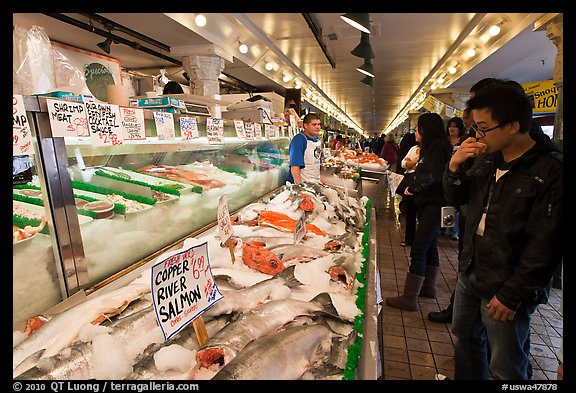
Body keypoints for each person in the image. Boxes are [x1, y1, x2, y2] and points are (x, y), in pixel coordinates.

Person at [444, 82, 563, 380]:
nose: (477, 135)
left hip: (506, 282)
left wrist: (512, 294)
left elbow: (546, 242)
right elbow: (457, 200)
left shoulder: (551, 170)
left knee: (506, 365)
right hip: (471, 270)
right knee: (465, 340)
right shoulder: (487, 158)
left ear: (512, 125)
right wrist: (455, 167)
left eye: (483, 128)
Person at [385, 112, 452, 311]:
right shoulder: (433, 147)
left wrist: (412, 188)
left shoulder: (437, 148)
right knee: (429, 245)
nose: (415, 132)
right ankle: (428, 288)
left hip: (433, 203)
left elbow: (430, 174)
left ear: (426, 129)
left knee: (420, 247)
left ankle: (409, 297)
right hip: (429, 202)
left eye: (417, 128)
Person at [443, 116, 467, 241]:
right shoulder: (444, 141)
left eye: (455, 126)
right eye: (450, 126)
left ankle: (453, 230)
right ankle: (443, 227)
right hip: (445, 174)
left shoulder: (464, 142)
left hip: (459, 175)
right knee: (444, 201)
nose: (452, 129)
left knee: (455, 204)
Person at [398, 131, 420, 247]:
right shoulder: (413, 148)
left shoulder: (430, 149)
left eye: (417, 130)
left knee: (421, 215)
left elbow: (422, 165)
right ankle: (408, 239)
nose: (416, 133)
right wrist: (416, 162)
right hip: (408, 183)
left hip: (421, 185)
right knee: (409, 212)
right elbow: (403, 163)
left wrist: (410, 163)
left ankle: (419, 240)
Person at [287, 112, 323, 184]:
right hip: (303, 182)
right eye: (314, 124)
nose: (317, 127)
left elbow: (318, 162)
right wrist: (300, 186)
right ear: (305, 125)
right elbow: (295, 166)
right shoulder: (299, 140)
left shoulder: (316, 139)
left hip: (314, 181)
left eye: (319, 124)